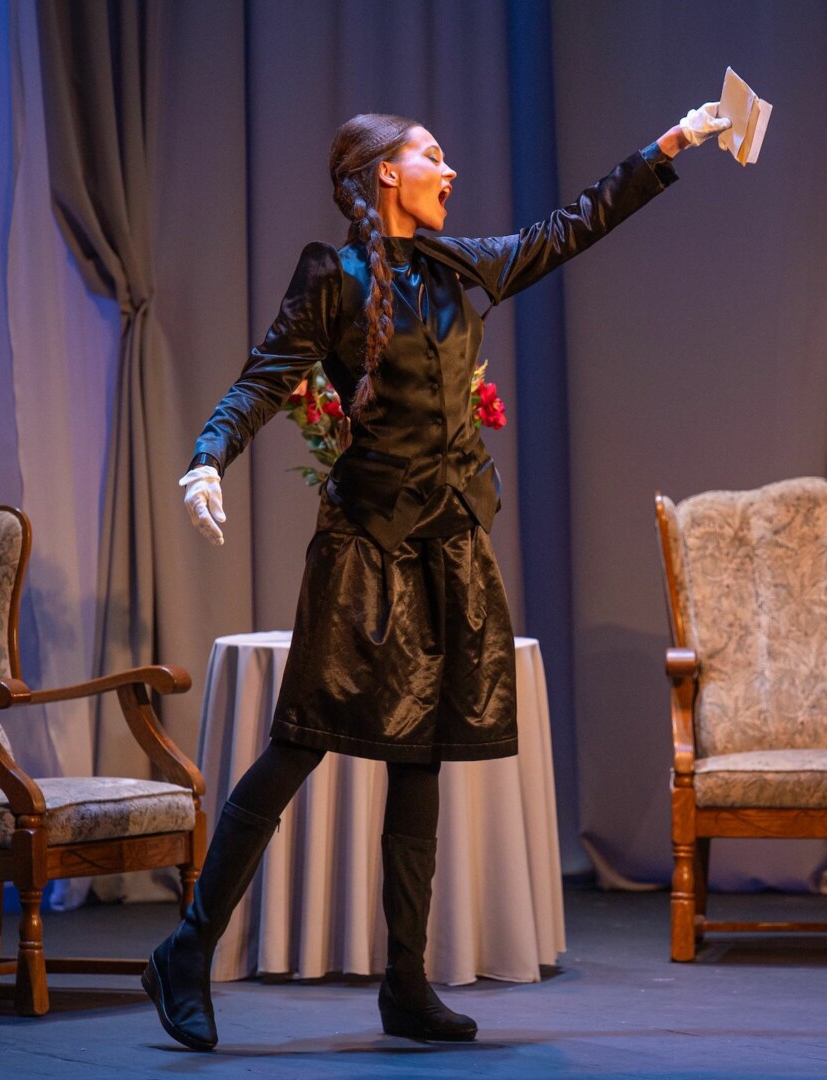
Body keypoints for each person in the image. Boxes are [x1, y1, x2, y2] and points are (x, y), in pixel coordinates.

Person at [144, 102, 732, 1052]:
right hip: (364, 542)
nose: (449, 170)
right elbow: (265, 376)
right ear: (385, 172)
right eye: (432, 155)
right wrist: (208, 455)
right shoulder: (332, 275)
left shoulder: (462, 267)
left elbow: (571, 227)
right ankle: (186, 949)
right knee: (300, 741)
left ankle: (405, 985)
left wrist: (669, 145)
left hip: (448, 542)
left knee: (420, 756)